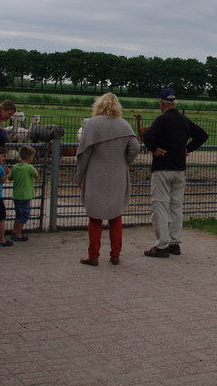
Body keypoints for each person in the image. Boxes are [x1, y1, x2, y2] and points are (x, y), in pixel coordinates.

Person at [76, 93, 141, 265]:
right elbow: (135, 148)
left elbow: (84, 154)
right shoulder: (124, 125)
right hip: (117, 175)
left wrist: (79, 176)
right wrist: (123, 162)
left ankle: (93, 255)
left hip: (95, 175)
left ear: (99, 105)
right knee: (115, 216)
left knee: (95, 217)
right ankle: (115, 254)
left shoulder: (92, 124)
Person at [142, 88, 208, 258]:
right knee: (176, 207)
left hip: (162, 168)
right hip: (179, 169)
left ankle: (161, 245)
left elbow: (147, 136)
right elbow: (202, 135)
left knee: (160, 205)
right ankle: (174, 243)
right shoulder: (184, 120)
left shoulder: (162, 120)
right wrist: (187, 149)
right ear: (174, 102)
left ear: (161, 102)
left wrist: (154, 148)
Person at [10, 145, 38, 242]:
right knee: (25, 214)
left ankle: (14, 230)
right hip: (25, 195)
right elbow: (37, 176)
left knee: (18, 213)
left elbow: (10, 178)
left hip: (16, 194)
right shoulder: (29, 167)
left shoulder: (15, 167)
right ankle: (18, 234)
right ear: (30, 157)